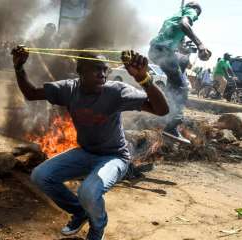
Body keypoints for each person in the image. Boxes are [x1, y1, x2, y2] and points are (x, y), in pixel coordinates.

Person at [12, 45, 169, 240]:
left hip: (115, 157)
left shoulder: (116, 91)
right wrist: (19, 68)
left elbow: (161, 110)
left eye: (105, 69)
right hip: (85, 152)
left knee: (87, 191)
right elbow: (31, 93)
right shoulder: (69, 89)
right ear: (80, 71)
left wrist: (143, 79)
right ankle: (80, 212)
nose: (102, 73)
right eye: (96, 68)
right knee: (40, 176)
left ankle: (97, 227)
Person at [149, 1, 211, 144]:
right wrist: (200, 44)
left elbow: (175, 43)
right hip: (163, 51)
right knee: (182, 87)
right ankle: (172, 126)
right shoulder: (191, 11)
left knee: (174, 84)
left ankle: (165, 116)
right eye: (197, 14)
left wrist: (186, 51)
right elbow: (185, 24)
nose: (196, 17)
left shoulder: (172, 18)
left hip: (155, 50)